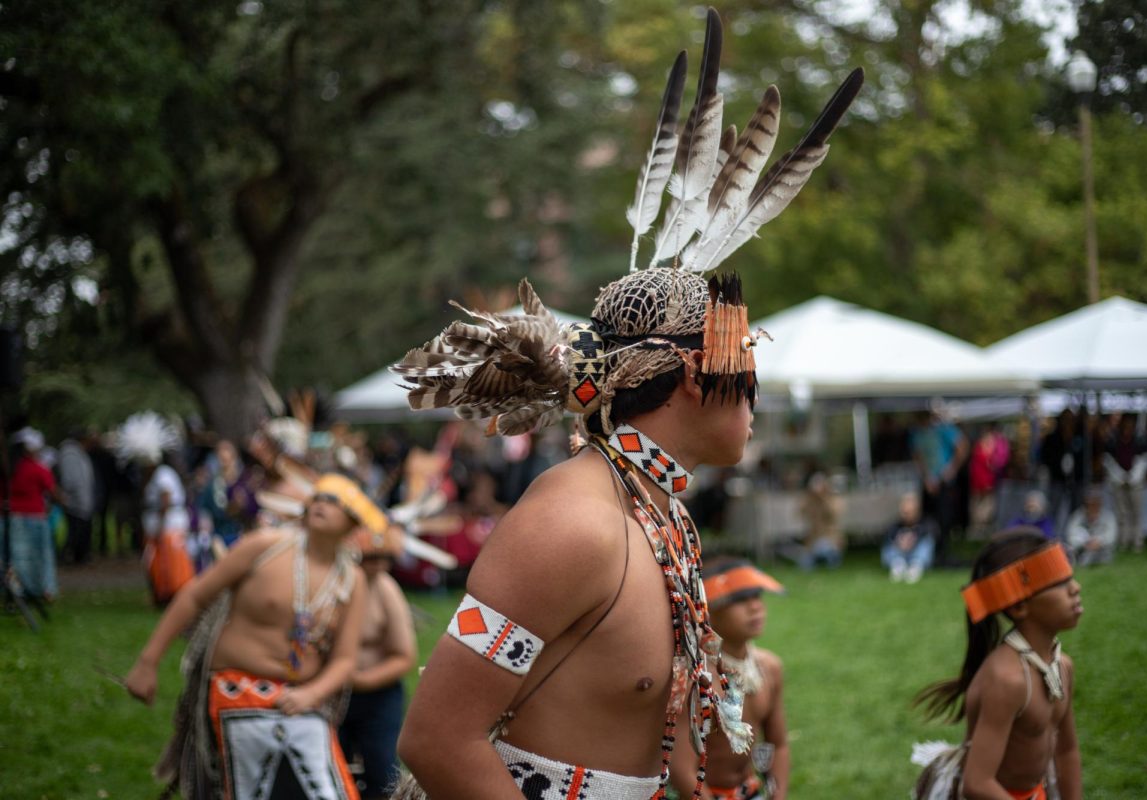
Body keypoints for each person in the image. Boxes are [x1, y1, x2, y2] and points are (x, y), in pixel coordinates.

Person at [390, 13, 862, 798]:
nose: (756, 393)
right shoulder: (571, 524)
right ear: (686, 379)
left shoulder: (656, 513)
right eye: (744, 368)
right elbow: (437, 740)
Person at [125, 473, 377, 800]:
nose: (321, 504)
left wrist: (311, 693)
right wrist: (147, 662)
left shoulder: (351, 580)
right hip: (234, 693)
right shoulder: (265, 546)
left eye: (335, 502)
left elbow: (345, 660)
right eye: (318, 497)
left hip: (301, 705)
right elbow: (194, 597)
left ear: (352, 523)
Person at [912, 530, 1083, 800]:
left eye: (1070, 578)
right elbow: (978, 783)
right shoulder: (1007, 680)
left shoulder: (1062, 666)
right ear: (1019, 608)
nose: (1075, 588)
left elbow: (1066, 751)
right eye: (1058, 583)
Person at [669, 558, 788, 800]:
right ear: (707, 610)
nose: (755, 607)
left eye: (757, 596)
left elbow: (778, 743)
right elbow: (681, 770)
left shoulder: (769, 667)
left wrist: (778, 793)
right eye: (739, 600)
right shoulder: (694, 678)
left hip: (751, 791)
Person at [340, 524, 417, 800]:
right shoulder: (333, 586)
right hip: (332, 695)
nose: (377, 565)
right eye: (370, 557)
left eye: (384, 558)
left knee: (382, 771)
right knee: (334, 770)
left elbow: (404, 656)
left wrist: (360, 681)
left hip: (377, 697)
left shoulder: (386, 590)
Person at [116, 412, 195, 605]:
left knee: (171, 562)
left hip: (168, 526)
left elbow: (165, 501)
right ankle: (161, 593)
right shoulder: (151, 478)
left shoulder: (163, 475)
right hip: (157, 525)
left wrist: (160, 525)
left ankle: (174, 593)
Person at [3, 428, 64, 601]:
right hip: (34, 517)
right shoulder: (37, 468)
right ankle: (42, 590)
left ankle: (18, 589)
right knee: (40, 555)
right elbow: (53, 491)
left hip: (10, 518)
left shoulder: (9, 469)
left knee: (15, 556)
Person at [910, 409, 968, 565]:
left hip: (943, 481)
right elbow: (918, 455)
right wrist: (926, 476)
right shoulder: (916, 433)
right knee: (927, 517)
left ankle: (942, 551)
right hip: (928, 481)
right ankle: (928, 549)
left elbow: (962, 446)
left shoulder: (943, 429)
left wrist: (951, 469)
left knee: (944, 517)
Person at [1101, 414, 1147, 552]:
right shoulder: (1113, 440)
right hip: (1117, 480)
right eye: (1125, 425)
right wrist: (1119, 475)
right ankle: (1123, 540)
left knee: (1136, 511)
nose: (1128, 429)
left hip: (1136, 480)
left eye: (1130, 426)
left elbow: (1145, 459)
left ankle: (1137, 541)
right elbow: (1108, 460)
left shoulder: (1139, 440)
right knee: (1121, 512)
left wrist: (1134, 475)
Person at [57, 431, 96, 564]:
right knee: (74, 531)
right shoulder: (70, 454)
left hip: (82, 499)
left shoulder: (79, 453)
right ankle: (67, 555)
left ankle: (79, 556)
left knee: (80, 530)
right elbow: (70, 480)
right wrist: (75, 496)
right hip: (75, 501)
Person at [882, 492, 937, 583]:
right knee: (888, 545)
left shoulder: (925, 523)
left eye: (909, 512)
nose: (906, 515)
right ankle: (897, 565)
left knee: (927, 542)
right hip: (900, 553)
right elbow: (889, 535)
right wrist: (899, 541)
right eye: (904, 512)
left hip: (916, 554)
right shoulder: (896, 526)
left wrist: (913, 539)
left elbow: (933, 532)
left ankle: (916, 566)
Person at [968, 423, 1009, 539]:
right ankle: (977, 529)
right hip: (979, 481)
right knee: (978, 506)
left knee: (987, 506)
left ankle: (983, 529)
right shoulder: (981, 446)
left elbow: (998, 463)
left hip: (988, 481)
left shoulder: (997, 444)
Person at [796, 471, 845, 570]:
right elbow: (799, 512)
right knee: (805, 564)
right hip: (813, 540)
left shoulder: (834, 500)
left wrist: (824, 498)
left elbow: (833, 514)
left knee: (826, 548)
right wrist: (809, 497)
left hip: (831, 539)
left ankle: (831, 560)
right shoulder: (809, 501)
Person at [1063, 489, 1116, 567]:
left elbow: (1111, 536)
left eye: (1095, 505)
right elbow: (1070, 535)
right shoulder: (1078, 516)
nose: (1092, 508)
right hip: (1082, 549)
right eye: (1090, 505)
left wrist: (1099, 542)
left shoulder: (1108, 516)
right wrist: (1084, 544)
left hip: (1101, 549)